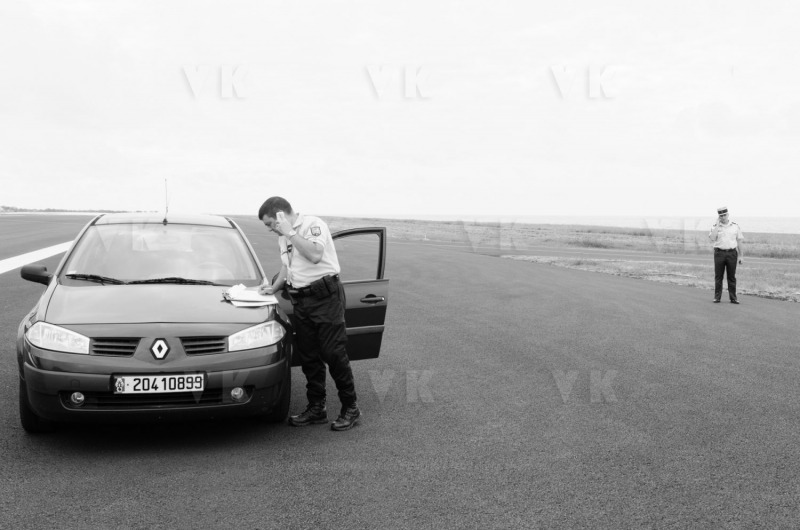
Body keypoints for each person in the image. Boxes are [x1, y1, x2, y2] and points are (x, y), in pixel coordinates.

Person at [257, 197, 361, 431]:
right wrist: (274, 287)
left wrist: (290, 232)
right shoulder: (283, 238)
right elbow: (288, 266)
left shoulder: (313, 226)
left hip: (325, 297)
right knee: (309, 355)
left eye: (270, 223)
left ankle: (351, 408)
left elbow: (314, 254)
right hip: (301, 300)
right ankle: (317, 408)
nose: (270, 229)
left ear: (281, 215)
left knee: (333, 353)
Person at [708, 206, 744, 304]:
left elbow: (739, 241)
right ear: (718, 216)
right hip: (719, 253)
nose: (723, 217)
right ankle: (717, 297)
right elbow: (712, 238)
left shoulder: (735, 226)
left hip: (732, 253)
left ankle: (733, 298)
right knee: (718, 276)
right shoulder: (715, 226)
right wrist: (717, 225)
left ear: (728, 215)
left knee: (731, 276)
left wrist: (741, 256)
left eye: (724, 215)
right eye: (721, 216)